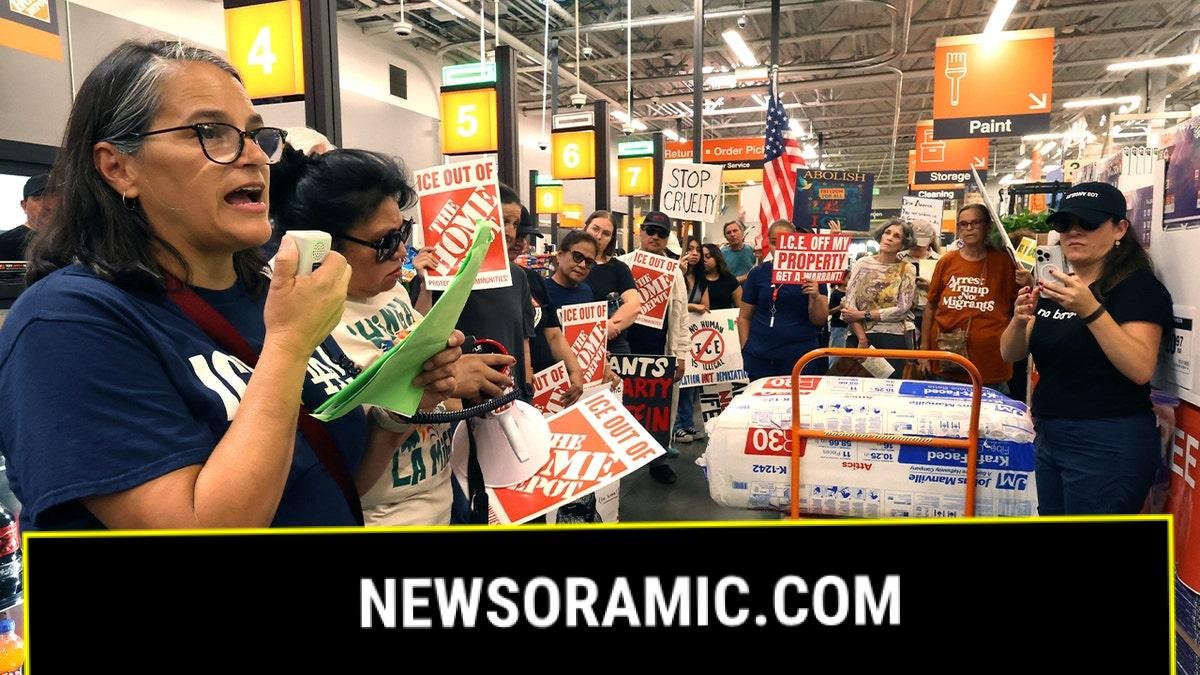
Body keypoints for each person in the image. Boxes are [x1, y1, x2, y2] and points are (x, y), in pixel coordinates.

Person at [0, 40, 462, 531]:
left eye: (254, 135)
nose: (254, 157)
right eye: (211, 133)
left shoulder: (267, 291)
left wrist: (400, 405)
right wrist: (288, 344)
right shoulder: (67, 323)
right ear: (119, 167)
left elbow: (340, 478)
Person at [269, 145, 516, 525]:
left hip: (443, 503)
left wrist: (451, 378)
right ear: (321, 244)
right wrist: (421, 394)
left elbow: (439, 407)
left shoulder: (393, 292)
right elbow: (338, 485)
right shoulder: (300, 323)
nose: (402, 252)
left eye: (403, 232)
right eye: (384, 242)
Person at [1000, 182, 1172, 515]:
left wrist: (1090, 309)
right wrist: (1020, 319)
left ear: (1120, 228)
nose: (1074, 232)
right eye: (1064, 224)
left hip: (1107, 440)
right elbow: (1011, 353)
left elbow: (1139, 368)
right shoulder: (1057, 286)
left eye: (1088, 223)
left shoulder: (1138, 288)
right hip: (1051, 434)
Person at [416, 185, 536, 398]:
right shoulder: (442, 273)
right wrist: (426, 284)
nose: (509, 232)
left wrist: (526, 388)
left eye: (515, 224)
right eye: (503, 221)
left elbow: (523, 339)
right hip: (457, 398)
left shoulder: (518, 276)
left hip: (509, 398)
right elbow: (416, 333)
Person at [919, 204, 1030, 390]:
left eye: (975, 223)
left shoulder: (1004, 262)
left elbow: (1023, 304)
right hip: (946, 357)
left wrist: (1029, 280)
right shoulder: (947, 261)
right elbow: (931, 306)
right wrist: (924, 351)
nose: (968, 228)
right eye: (963, 224)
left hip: (990, 362)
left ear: (987, 225)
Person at [620, 211, 689, 484]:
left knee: (658, 410)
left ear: (667, 238)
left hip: (660, 350)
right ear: (641, 231)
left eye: (661, 233)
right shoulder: (622, 265)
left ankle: (657, 460)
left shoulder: (675, 272)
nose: (655, 237)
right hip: (625, 348)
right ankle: (621, 462)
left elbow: (681, 316)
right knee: (622, 406)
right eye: (650, 230)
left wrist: (680, 356)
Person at [501, 194, 583, 402]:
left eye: (522, 235)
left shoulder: (530, 278)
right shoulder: (481, 281)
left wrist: (574, 370)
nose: (519, 241)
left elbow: (553, 333)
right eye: (511, 228)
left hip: (547, 389)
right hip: (508, 391)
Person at [737, 220, 829, 381]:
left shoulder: (812, 274)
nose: (779, 248)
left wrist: (815, 296)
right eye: (774, 242)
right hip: (761, 358)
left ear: (796, 242)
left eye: (786, 243)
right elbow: (744, 317)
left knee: (797, 405)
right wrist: (746, 349)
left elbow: (819, 320)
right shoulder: (757, 273)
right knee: (762, 405)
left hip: (800, 358)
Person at [841, 218, 917, 377]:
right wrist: (862, 339)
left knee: (888, 391)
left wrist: (863, 314)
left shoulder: (907, 268)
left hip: (892, 340)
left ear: (903, 245)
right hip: (858, 336)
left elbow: (902, 309)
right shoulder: (862, 264)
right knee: (853, 390)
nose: (889, 237)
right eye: (887, 233)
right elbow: (849, 306)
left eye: (896, 236)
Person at [582, 210, 642, 354]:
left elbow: (634, 305)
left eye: (606, 233)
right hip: (577, 344)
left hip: (613, 345)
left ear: (611, 239)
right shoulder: (570, 263)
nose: (598, 236)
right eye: (595, 229)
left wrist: (608, 326)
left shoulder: (618, 268)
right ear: (585, 228)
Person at [898, 219, 942, 344]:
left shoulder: (941, 261)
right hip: (903, 314)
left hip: (930, 311)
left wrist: (931, 287)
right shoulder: (897, 258)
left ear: (931, 239)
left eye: (921, 242)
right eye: (914, 241)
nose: (916, 246)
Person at [0, 174, 54, 261]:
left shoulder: (70, 244)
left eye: (56, 197)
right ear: (24, 205)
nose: (50, 205)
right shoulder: (6, 244)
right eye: (39, 198)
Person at [546, 230, 600, 309]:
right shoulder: (542, 291)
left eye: (589, 262)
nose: (582, 265)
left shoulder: (586, 292)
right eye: (577, 257)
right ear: (560, 255)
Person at [688, 243, 739, 311]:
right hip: (698, 319)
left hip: (724, 319)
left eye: (708, 256)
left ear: (717, 257)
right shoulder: (696, 278)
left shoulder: (729, 279)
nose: (704, 260)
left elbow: (740, 307)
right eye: (702, 257)